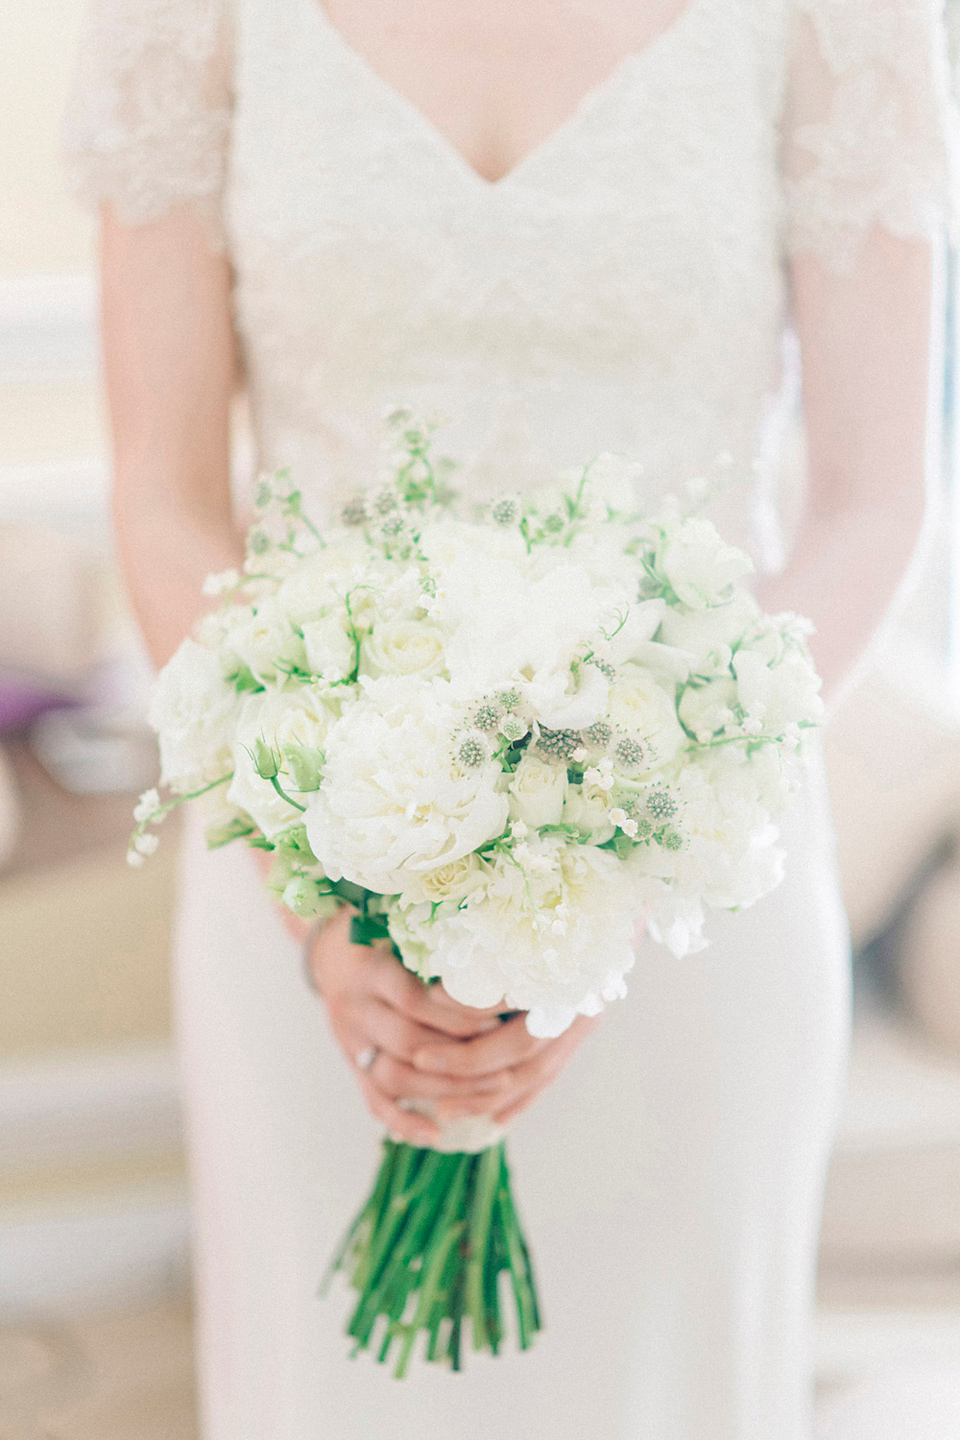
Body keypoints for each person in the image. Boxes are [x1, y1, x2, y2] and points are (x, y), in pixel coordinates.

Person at [63, 2, 953, 1436]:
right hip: (302, 894)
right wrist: (321, 901)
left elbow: (869, 502)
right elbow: (167, 497)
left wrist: (630, 861)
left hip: (694, 910)